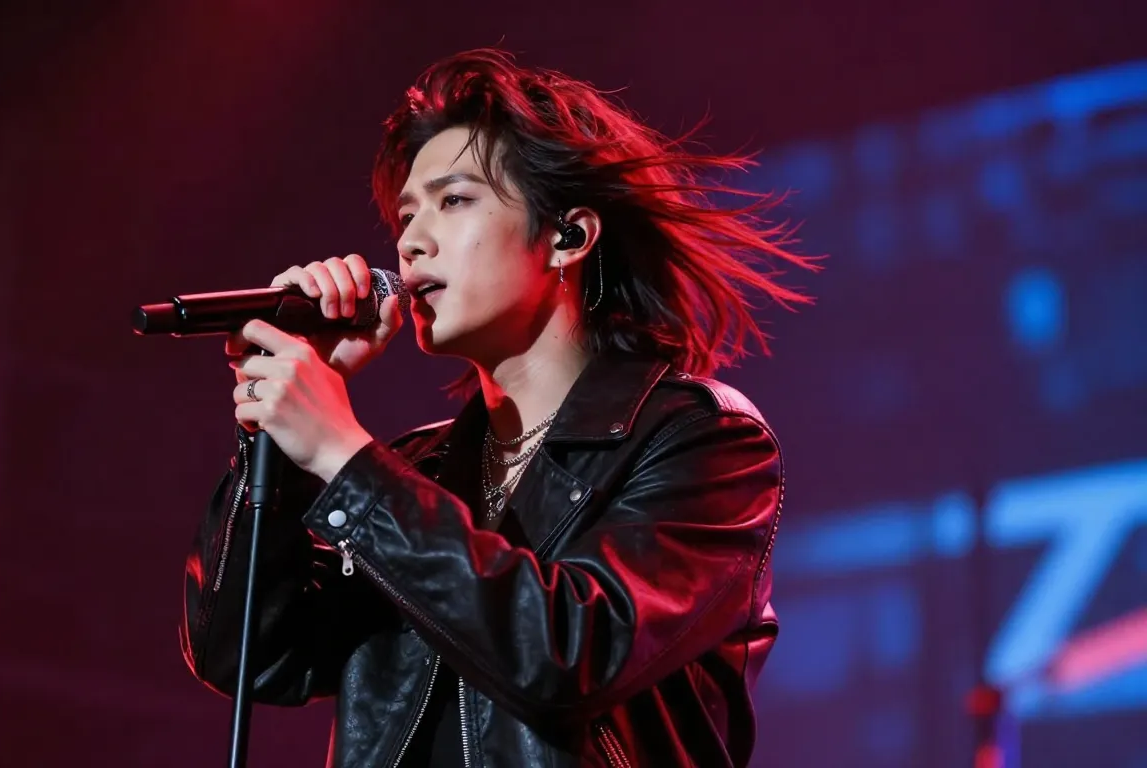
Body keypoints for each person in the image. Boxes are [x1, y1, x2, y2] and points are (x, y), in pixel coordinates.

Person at [179, 48, 818, 767]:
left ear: (567, 237)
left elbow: (570, 655)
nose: (410, 242)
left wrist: (342, 457)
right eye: (406, 215)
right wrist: (283, 447)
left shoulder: (704, 442)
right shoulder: (419, 470)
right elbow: (251, 655)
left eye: (454, 201)